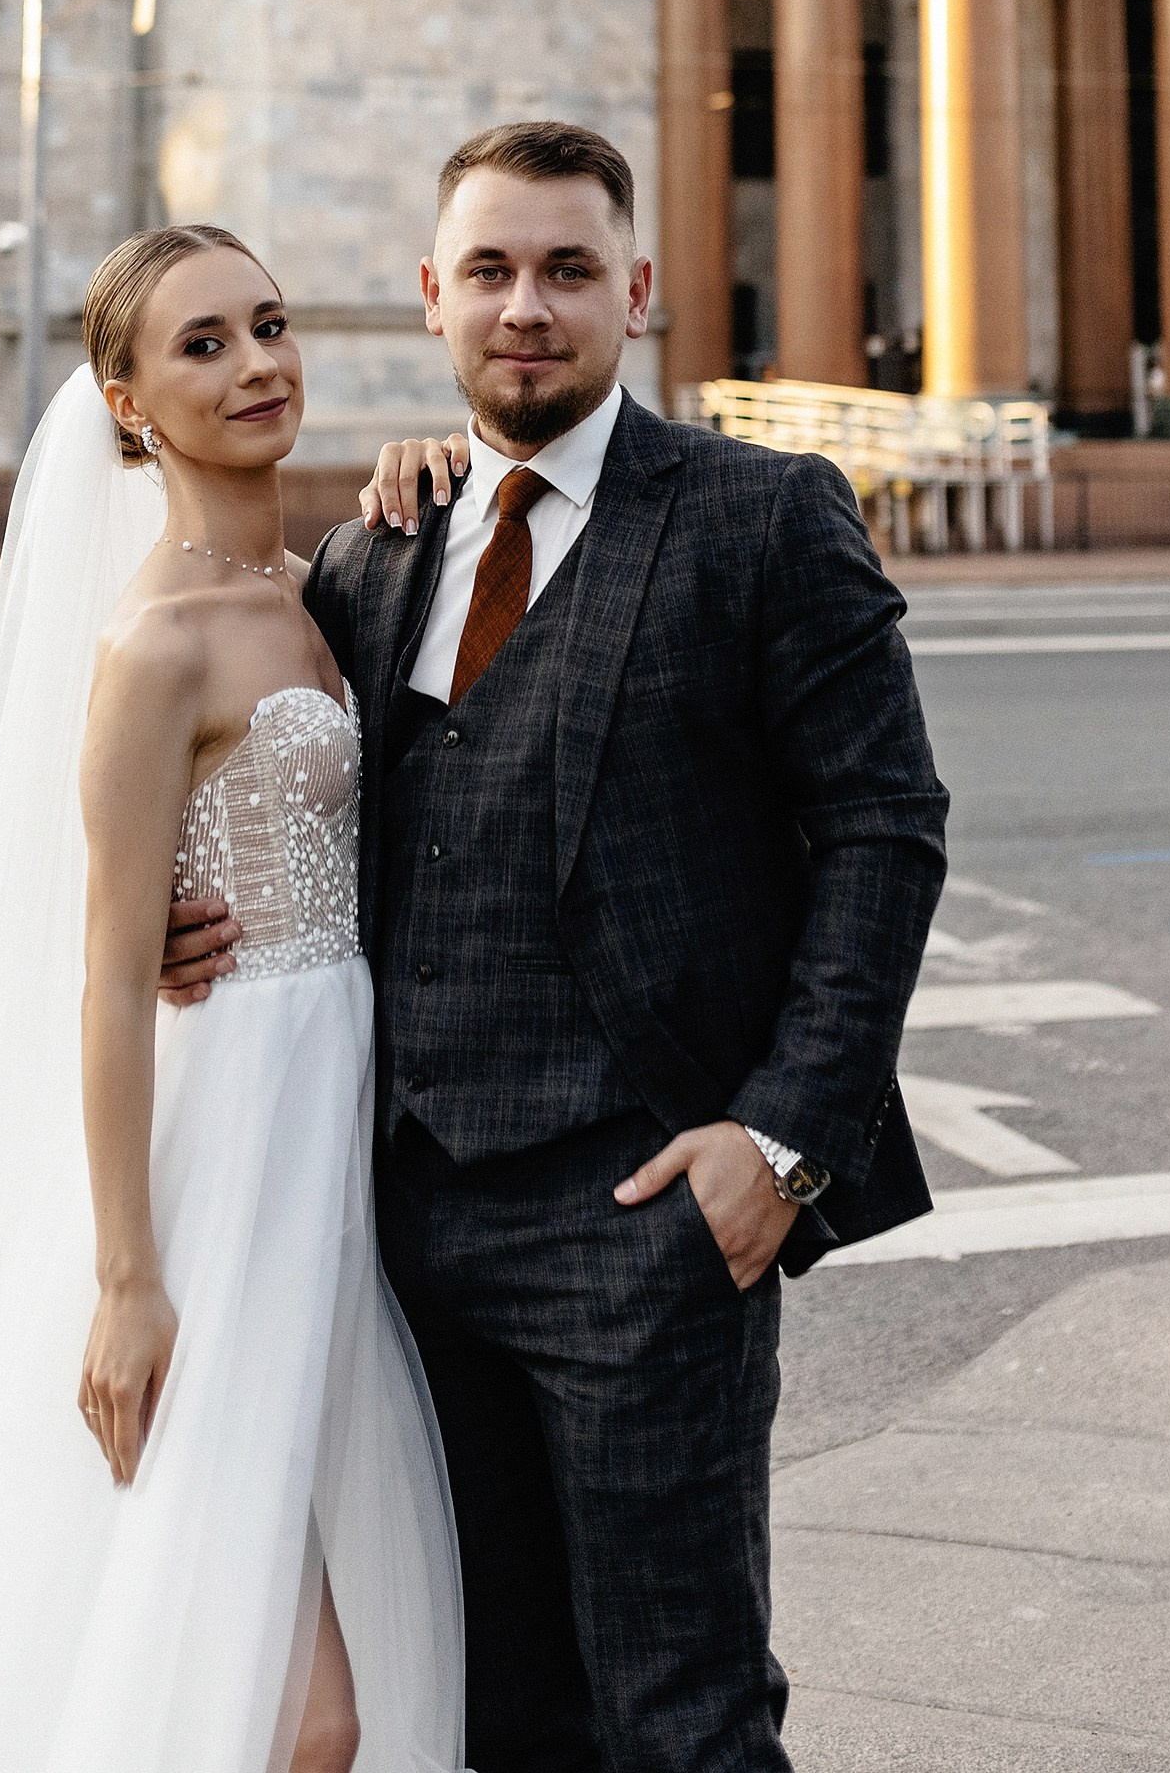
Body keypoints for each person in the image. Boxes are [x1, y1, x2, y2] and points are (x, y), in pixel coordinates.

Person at [163, 122, 949, 1773]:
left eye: (571, 270)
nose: (531, 305)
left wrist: (783, 1142)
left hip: (646, 1227)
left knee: (685, 1717)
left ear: (637, 295)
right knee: (495, 1710)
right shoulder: (381, 549)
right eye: (495, 271)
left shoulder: (761, 514)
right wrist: (187, 921)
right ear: (432, 297)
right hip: (404, 1233)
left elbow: (886, 829)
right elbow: (315, 810)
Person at [0, 228, 467, 1773]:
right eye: (202, 346)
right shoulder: (154, 641)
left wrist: (417, 459)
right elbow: (112, 982)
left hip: (333, 1129)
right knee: (305, 1710)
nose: (257, 363)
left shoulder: (320, 582)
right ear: (126, 403)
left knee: (281, 1623)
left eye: (268, 325)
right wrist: (129, 1277)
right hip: (222, 1150)